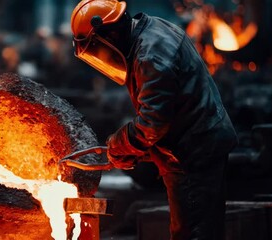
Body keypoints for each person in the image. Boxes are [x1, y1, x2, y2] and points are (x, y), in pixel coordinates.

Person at [70, 1, 238, 240]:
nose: (103, 56)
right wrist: (138, 150)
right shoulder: (153, 29)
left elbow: (153, 123)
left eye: (98, 49)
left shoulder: (150, 55)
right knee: (199, 229)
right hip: (197, 142)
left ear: (111, 34)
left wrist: (119, 142)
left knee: (193, 233)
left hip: (194, 153)